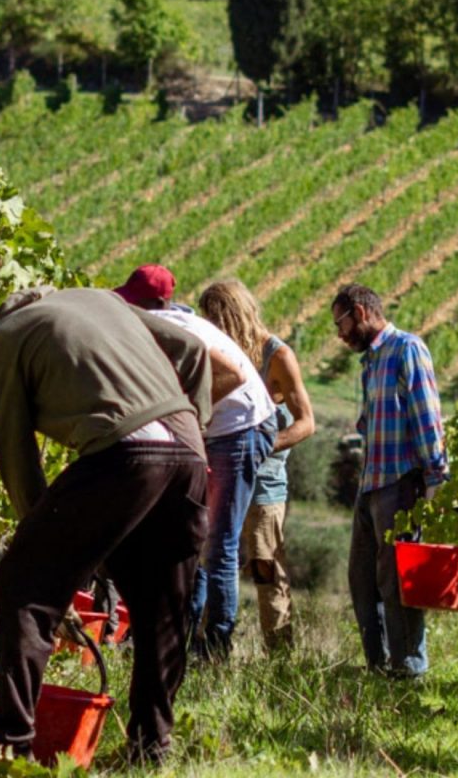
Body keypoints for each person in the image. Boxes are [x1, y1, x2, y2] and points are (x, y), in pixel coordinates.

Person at [0, 285, 213, 765]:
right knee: (160, 606)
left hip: (124, 451)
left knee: (19, 587)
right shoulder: (94, 298)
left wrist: (53, 572)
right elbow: (192, 348)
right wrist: (197, 426)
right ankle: (150, 750)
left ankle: (13, 748)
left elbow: (19, 465)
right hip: (188, 450)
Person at [115, 265, 277, 660]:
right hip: (221, 429)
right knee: (192, 534)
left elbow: (234, 374)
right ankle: (186, 636)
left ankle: (216, 649)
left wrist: (189, 414)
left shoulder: (166, 329)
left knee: (218, 542)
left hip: (241, 428)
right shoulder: (166, 321)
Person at [332, 283, 449, 679]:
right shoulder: (371, 362)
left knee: (397, 580)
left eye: (341, 323)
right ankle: (378, 666)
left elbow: (427, 415)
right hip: (372, 483)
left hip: (400, 482)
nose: (339, 334)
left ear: (361, 313)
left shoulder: (407, 349)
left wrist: (434, 478)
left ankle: (408, 670)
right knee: (362, 579)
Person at [198, 279, 316, 651]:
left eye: (216, 319)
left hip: (264, 483)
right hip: (221, 477)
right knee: (213, 561)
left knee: (265, 567)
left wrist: (263, 446)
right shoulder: (222, 352)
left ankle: (280, 655)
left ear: (233, 315)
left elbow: (306, 422)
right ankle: (210, 646)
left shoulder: (277, 356)